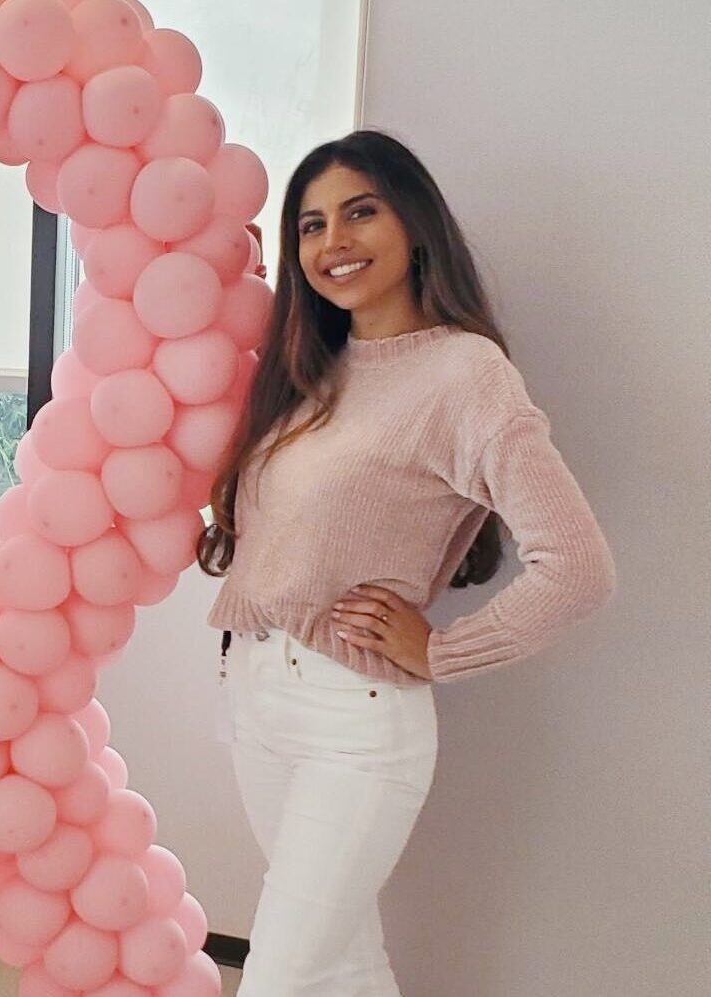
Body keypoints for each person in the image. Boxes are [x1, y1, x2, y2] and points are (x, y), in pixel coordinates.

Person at [197, 130, 614, 995]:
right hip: (257, 698)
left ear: (415, 224)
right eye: (310, 226)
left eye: (360, 212)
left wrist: (444, 650)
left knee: (276, 976)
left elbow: (577, 564)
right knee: (341, 964)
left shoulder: (465, 372)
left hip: (356, 718)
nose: (332, 243)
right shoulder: (309, 368)